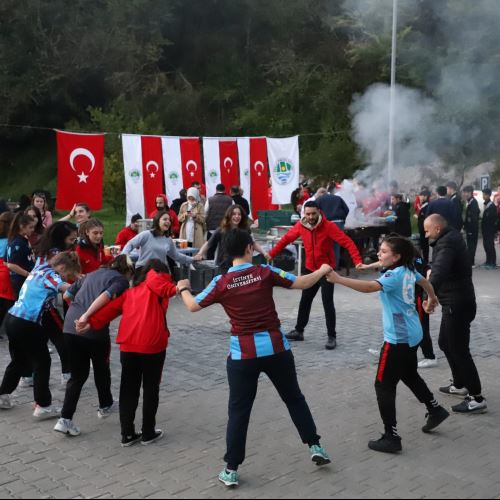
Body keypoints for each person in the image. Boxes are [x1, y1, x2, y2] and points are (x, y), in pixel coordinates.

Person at [179, 229, 332, 488]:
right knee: (294, 398)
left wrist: (183, 288)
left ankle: (231, 470)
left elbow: (193, 306)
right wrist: (323, 269)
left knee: (239, 411)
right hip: (277, 350)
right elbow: (302, 282)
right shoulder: (264, 272)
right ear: (250, 248)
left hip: (242, 356)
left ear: (227, 252)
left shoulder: (221, 282)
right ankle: (315, 446)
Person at [328, 235, 449, 454]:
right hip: (413, 333)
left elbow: (368, 288)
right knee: (409, 374)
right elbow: (424, 281)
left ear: (397, 256)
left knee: (383, 385)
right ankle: (435, 409)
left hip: (398, 339)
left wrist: (338, 279)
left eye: (383, 252)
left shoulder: (393, 275)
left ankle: (391, 437)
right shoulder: (408, 268)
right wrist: (432, 298)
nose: (379, 254)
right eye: (380, 250)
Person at [75, 260, 178, 447]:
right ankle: (148, 433)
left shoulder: (129, 293)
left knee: (128, 390)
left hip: (128, 346)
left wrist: (91, 322)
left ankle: (127, 434)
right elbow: (164, 285)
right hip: (153, 345)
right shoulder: (159, 285)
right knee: (150, 389)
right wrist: (179, 285)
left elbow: (109, 310)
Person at [54, 255, 134, 437]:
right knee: (101, 367)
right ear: (127, 270)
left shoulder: (92, 274)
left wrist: (77, 310)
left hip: (69, 327)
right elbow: (105, 296)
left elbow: (67, 295)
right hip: (92, 329)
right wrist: (86, 315)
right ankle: (105, 405)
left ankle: (65, 419)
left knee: (77, 376)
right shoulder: (120, 280)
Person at [269, 201, 363, 350]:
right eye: (308, 214)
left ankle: (332, 336)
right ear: (304, 214)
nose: (311, 217)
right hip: (310, 270)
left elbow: (347, 242)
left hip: (326, 271)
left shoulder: (329, 226)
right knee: (305, 301)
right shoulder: (301, 225)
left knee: (327, 303)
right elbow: (286, 239)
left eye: (313, 213)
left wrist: (357, 261)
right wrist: (271, 254)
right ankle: (299, 331)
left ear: (319, 211)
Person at [0, 252, 80, 417]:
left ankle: (2, 395)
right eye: (68, 274)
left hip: (12, 319)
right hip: (26, 323)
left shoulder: (40, 266)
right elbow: (67, 288)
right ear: (62, 267)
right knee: (42, 362)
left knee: (20, 360)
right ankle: (43, 405)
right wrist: (87, 283)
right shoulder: (52, 277)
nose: (67, 278)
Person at [424, 214, 487, 414]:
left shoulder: (447, 243)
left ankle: (476, 398)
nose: (425, 235)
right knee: (445, 343)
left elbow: (440, 271)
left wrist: (429, 294)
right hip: (453, 302)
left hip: (457, 304)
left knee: (459, 349)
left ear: (436, 228)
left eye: (426, 230)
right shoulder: (448, 239)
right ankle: (460, 384)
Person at [196, 205, 269, 274]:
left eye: (239, 214)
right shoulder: (221, 230)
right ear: (229, 215)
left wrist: (264, 252)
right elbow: (208, 243)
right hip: (224, 267)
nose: (237, 216)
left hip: (240, 266)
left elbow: (253, 243)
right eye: (234, 214)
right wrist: (200, 253)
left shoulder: (246, 230)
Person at [122, 211, 202, 271]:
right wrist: (123, 257)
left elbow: (176, 256)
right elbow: (130, 244)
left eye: (169, 220)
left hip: (159, 271)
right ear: (157, 221)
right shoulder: (146, 234)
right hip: (143, 270)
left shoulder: (168, 239)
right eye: (165, 219)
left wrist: (192, 258)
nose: (168, 221)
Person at [6, 213, 36, 298]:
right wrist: (28, 274)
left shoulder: (21, 239)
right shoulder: (18, 243)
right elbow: (11, 264)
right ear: (22, 226)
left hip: (22, 280)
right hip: (20, 281)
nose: (33, 230)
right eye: (30, 227)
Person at [462, 186, 480, 267]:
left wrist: (470, 229)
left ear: (470, 193)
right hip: (470, 228)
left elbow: (473, 218)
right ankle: (470, 261)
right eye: (464, 192)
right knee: (470, 245)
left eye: (465, 192)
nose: (464, 194)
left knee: (471, 245)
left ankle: (471, 262)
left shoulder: (473, 202)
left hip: (472, 228)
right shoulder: (470, 202)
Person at [481, 189, 497, 270]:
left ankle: (492, 262)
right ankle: (488, 261)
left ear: (488, 195)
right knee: (486, 246)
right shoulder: (487, 204)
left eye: (484, 194)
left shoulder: (492, 206)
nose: (483, 196)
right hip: (485, 230)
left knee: (490, 246)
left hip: (489, 230)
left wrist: (494, 231)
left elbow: (492, 220)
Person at [416, 189, 431, 263]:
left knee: (425, 245)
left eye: (421, 196)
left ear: (426, 196)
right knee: (423, 245)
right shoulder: (423, 205)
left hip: (424, 229)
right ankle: (425, 259)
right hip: (422, 229)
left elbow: (426, 218)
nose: (420, 198)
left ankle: (425, 260)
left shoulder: (427, 206)